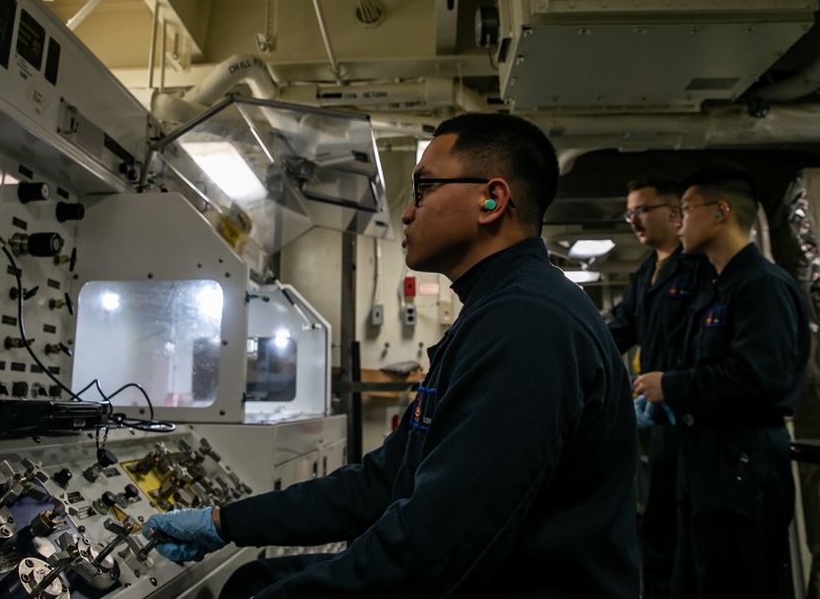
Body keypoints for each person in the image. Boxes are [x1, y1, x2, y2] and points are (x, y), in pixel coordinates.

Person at [144, 113, 640, 598]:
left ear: (492, 200)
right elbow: (383, 482)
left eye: (423, 189)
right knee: (251, 580)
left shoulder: (527, 323)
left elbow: (436, 545)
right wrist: (226, 521)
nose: (407, 211)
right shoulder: (500, 309)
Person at [633, 163, 809, 599]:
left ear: (721, 211)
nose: (680, 220)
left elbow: (760, 376)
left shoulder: (760, 287)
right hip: (705, 462)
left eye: (687, 209)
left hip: (742, 464)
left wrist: (671, 386)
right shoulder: (716, 288)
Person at [607, 178, 713, 599]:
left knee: (691, 531)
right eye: (629, 213)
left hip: (694, 414)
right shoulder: (645, 274)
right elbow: (619, 329)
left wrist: (675, 384)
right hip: (661, 417)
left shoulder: (700, 268)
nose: (634, 221)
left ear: (674, 213)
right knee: (659, 526)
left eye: (641, 211)